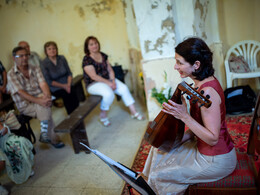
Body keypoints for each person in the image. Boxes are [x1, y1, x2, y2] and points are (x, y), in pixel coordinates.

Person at [138, 37, 237, 195]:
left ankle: (150, 190)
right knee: (160, 150)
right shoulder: (200, 84)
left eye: (179, 62)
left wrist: (184, 116)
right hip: (203, 149)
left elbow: (212, 138)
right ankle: (144, 187)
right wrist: (178, 140)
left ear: (196, 65)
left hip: (215, 160)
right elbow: (201, 125)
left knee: (160, 175)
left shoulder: (208, 93)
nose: (175, 67)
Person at [7, 46, 64, 148]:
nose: (24, 58)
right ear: (14, 58)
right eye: (21, 56)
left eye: (26, 55)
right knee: (45, 107)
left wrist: (47, 96)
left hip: (40, 98)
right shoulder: (11, 74)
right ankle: (52, 137)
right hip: (25, 104)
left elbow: (43, 83)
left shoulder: (35, 68)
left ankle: (44, 133)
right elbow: (21, 92)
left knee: (45, 103)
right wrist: (41, 101)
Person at [82, 36, 144, 127]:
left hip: (108, 80)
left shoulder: (103, 55)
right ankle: (103, 114)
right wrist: (109, 83)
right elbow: (93, 76)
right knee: (109, 94)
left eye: (95, 43)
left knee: (124, 88)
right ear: (87, 47)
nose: (94, 45)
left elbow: (110, 70)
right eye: (91, 44)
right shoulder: (86, 59)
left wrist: (113, 81)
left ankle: (133, 112)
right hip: (93, 83)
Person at [41, 41, 79, 115]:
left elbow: (69, 73)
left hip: (67, 82)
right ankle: (72, 116)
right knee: (67, 96)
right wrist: (64, 86)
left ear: (56, 49)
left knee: (74, 93)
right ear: (46, 51)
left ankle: (78, 113)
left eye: (54, 48)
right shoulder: (44, 63)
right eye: (49, 49)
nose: (52, 50)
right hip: (55, 87)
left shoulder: (62, 58)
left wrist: (68, 84)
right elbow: (48, 81)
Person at [0, 121, 34, 187]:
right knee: (1, 160)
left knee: (21, 142)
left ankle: (26, 166)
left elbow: (3, 129)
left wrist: (3, 129)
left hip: (3, 139)